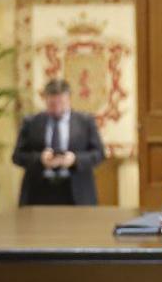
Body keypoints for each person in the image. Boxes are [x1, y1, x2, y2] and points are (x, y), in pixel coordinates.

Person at [11, 78, 106, 206]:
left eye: (61, 103)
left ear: (69, 99)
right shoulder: (31, 122)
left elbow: (99, 154)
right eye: (52, 104)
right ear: (45, 99)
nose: (57, 109)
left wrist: (74, 159)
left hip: (77, 192)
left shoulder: (85, 122)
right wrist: (40, 159)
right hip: (39, 192)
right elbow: (17, 156)